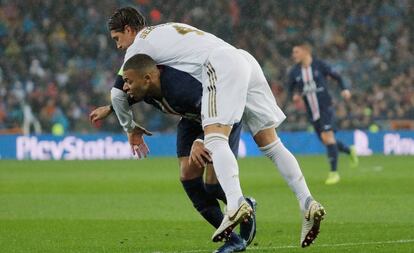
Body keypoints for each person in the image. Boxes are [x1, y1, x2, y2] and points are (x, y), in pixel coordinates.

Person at [107, 7, 325, 248]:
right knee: (271, 144)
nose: (120, 47)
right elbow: (135, 88)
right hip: (244, 60)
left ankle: (235, 204)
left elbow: (118, 93)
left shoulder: (137, 46)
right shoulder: (166, 30)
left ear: (129, 30)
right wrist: (109, 108)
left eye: (118, 39)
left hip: (219, 64)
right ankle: (307, 201)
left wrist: (130, 127)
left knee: (215, 140)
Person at [90, 64, 257, 253]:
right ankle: (234, 240)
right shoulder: (146, 88)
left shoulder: (181, 88)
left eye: (128, 82)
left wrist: (202, 140)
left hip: (221, 116)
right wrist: (111, 108)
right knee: (188, 177)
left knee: (213, 187)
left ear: (147, 78)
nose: (125, 87)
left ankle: (244, 204)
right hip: (190, 120)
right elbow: (129, 96)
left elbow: (219, 110)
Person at [288, 42, 359, 185]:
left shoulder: (319, 65)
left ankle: (334, 173)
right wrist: (294, 96)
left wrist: (344, 89)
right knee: (325, 140)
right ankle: (348, 150)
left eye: (296, 52)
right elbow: (290, 89)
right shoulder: (294, 71)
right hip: (312, 111)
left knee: (328, 136)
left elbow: (337, 76)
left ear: (306, 51)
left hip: (325, 107)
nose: (294, 55)